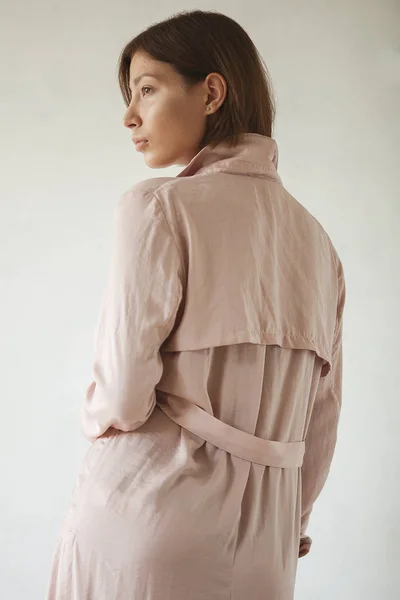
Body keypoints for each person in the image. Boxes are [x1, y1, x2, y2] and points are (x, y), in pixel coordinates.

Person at [46, 9, 346, 600]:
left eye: (147, 89)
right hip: (270, 544)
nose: (129, 115)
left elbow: (124, 392)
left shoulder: (155, 207)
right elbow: (323, 420)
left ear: (211, 91)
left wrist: (93, 420)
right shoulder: (320, 246)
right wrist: (291, 521)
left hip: (150, 519)